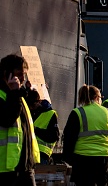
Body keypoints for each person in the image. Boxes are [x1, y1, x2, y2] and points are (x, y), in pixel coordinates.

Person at [63, 84, 108, 186]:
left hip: (83, 159)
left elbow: (69, 138)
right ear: (97, 98)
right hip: (106, 158)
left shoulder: (78, 113)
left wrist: (69, 159)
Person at [0, 53, 40, 186]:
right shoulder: (8, 95)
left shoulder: (18, 97)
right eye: (19, 74)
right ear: (6, 74)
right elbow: (7, 119)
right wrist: (14, 93)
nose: (23, 79)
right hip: (5, 170)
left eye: (24, 74)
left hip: (25, 167)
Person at [26, 89, 59, 165]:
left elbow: (54, 136)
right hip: (28, 152)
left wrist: (36, 130)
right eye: (29, 106)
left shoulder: (50, 114)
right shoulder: (30, 112)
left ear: (38, 102)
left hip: (41, 155)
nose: (31, 108)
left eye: (32, 106)